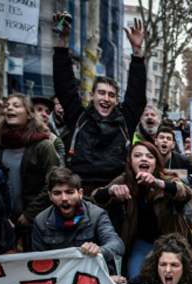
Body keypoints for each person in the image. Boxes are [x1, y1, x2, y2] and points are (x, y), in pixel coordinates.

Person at [53, 13, 147, 193]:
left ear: (117, 100)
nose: (106, 99)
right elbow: (64, 84)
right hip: (80, 195)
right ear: (92, 96)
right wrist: (63, 40)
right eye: (101, 93)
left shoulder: (124, 122)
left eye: (111, 95)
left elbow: (136, 94)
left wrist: (137, 52)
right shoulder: (79, 117)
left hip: (116, 195)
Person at [92, 141, 192, 277]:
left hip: (171, 241)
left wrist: (158, 183)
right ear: (130, 162)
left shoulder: (168, 177)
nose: (143, 159)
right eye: (138, 155)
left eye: (149, 156)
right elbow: (96, 198)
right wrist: (112, 190)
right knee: (136, 278)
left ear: (156, 162)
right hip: (141, 242)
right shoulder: (125, 180)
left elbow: (185, 193)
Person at [0, 94, 61, 244]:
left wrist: (27, 216)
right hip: (3, 221)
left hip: (35, 222)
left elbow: (54, 183)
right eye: (8, 105)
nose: (10, 108)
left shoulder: (43, 146)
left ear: (29, 115)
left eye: (16, 105)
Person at [32, 167, 124, 264]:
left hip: (93, 273)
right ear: (50, 196)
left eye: (69, 192)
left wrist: (100, 250)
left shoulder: (96, 214)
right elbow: (39, 261)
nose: (64, 198)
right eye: (57, 193)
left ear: (80, 193)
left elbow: (117, 245)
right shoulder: (41, 221)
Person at [123, 233, 192, 284]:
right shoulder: (147, 278)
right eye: (163, 264)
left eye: (174, 265)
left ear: (184, 267)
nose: (167, 270)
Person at [30, 96, 67, 167]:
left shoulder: (54, 141)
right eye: (39, 110)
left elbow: (60, 171)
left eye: (47, 112)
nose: (44, 114)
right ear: (29, 113)